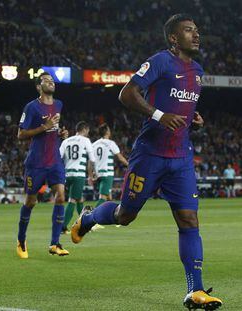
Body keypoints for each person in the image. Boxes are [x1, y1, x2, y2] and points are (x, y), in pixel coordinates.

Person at [71, 14, 222, 310]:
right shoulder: (161, 61)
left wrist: (194, 121)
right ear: (174, 38)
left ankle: (196, 290)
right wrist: (158, 116)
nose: (196, 35)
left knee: (189, 221)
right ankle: (88, 219)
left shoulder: (199, 71)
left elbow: (183, 107)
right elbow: (126, 93)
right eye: (189, 30)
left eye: (197, 30)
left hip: (180, 158)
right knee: (125, 215)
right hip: (149, 155)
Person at [16, 72, 69, 259]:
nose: (51, 82)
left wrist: (61, 133)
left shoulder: (59, 105)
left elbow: (53, 130)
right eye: (46, 81)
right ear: (39, 87)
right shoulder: (31, 107)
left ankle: (54, 244)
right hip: (36, 163)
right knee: (31, 202)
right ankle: (21, 241)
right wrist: (43, 128)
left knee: (61, 196)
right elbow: (21, 134)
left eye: (52, 80)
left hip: (54, 160)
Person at [59, 121, 95, 234]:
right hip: (78, 174)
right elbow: (92, 160)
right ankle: (62, 227)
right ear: (84, 130)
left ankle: (85, 224)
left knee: (79, 199)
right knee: (73, 200)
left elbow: (58, 157)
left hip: (67, 175)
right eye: (88, 131)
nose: (88, 133)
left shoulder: (66, 141)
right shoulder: (86, 141)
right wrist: (90, 175)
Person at [92, 123, 128, 206]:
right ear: (107, 132)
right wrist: (129, 165)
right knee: (103, 198)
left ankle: (108, 217)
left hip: (97, 174)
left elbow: (91, 160)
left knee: (109, 198)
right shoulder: (110, 143)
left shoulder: (94, 144)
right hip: (107, 174)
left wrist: (92, 173)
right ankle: (91, 216)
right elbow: (120, 158)